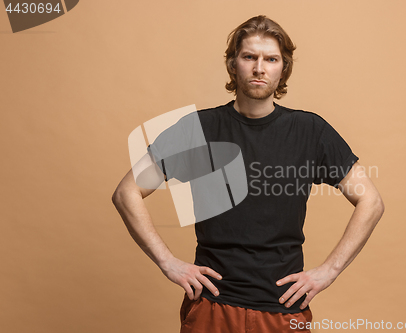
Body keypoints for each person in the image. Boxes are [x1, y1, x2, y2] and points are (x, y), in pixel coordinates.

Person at [112, 15, 385, 333]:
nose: (260, 68)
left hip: (281, 309)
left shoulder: (310, 131)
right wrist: (167, 261)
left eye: (271, 59)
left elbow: (371, 202)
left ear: (283, 68)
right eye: (249, 57)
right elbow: (126, 192)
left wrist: (330, 270)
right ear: (232, 64)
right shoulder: (198, 128)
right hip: (212, 305)